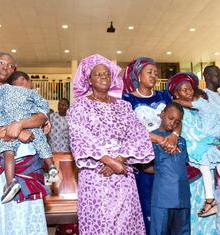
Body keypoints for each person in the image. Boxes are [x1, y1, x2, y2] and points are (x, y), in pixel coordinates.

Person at [67, 54, 155, 235]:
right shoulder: (79, 106)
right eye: (98, 74)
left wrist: (119, 160)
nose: (104, 77)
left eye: (107, 74)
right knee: (101, 222)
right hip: (95, 174)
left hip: (123, 174)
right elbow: (79, 136)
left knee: (125, 222)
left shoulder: (124, 106)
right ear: (89, 79)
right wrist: (108, 160)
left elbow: (137, 134)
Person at [0, 52, 49, 235]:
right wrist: (14, 132)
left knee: (25, 220)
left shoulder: (21, 94)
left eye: (11, 65)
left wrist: (21, 124)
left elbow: (41, 116)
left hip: (27, 165)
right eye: (1, 62)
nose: (6, 67)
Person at [122, 56, 180, 234]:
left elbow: (178, 116)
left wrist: (175, 136)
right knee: (147, 209)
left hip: (169, 160)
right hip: (143, 163)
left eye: (156, 73)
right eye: (150, 72)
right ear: (138, 75)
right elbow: (129, 131)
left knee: (170, 210)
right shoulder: (127, 100)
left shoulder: (164, 96)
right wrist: (159, 139)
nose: (154, 75)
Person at [0, 70, 58, 203]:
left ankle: (10, 182)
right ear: (29, 83)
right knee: (42, 145)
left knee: (8, 153)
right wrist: (45, 117)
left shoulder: (5, 89)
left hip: (10, 126)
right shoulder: (32, 93)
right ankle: (52, 167)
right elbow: (43, 107)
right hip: (30, 126)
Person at [167, 72, 218, 234]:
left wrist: (215, 143)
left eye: (190, 89)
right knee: (196, 211)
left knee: (210, 210)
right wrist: (210, 143)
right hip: (193, 168)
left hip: (207, 163)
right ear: (176, 94)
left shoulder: (197, 108)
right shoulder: (177, 112)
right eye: (183, 90)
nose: (188, 92)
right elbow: (189, 137)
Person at [150, 102, 190, 235]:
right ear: (162, 115)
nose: (172, 123)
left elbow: (183, 165)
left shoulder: (182, 141)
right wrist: (164, 171)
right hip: (163, 199)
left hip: (183, 199)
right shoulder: (152, 138)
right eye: (170, 118)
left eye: (177, 121)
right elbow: (147, 168)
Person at [203, 65, 220, 233]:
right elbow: (204, 127)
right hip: (211, 151)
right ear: (206, 75)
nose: (219, 76)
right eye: (216, 73)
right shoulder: (202, 96)